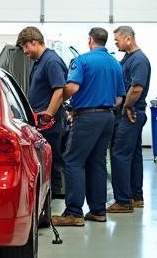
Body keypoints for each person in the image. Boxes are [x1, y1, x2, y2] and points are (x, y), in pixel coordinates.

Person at [51, 28, 125, 228]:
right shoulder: (115, 64)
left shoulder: (82, 61)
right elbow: (119, 98)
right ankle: (98, 211)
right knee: (97, 162)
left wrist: (58, 100)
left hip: (87, 117)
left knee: (72, 161)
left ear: (90, 40)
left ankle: (74, 212)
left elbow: (73, 87)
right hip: (108, 116)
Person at [17, 26, 69, 198]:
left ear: (35, 42)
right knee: (46, 157)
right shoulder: (40, 62)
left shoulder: (51, 61)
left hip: (50, 121)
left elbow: (59, 90)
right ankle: (51, 190)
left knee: (53, 156)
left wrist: (48, 114)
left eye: (26, 46)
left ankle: (58, 190)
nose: (25, 51)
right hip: (41, 120)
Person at [108, 25, 152, 213]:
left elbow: (136, 89)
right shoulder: (127, 59)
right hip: (130, 112)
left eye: (117, 39)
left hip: (131, 113)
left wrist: (125, 106)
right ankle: (135, 196)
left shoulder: (139, 60)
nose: (115, 43)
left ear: (128, 38)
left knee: (119, 155)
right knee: (133, 155)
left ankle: (123, 201)